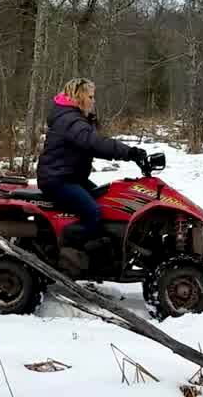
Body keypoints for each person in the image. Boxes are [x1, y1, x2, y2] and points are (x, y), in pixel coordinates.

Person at [37, 77, 146, 271]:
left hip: (69, 177)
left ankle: (101, 251)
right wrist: (129, 152)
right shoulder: (70, 120)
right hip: (58, 180)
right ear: (79, 97)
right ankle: (67, 247)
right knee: (93, 213)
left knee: (106, 201)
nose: (93, 101)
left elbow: (92, 142)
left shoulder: (72, 118)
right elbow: (95, 143)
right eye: (90, 96)